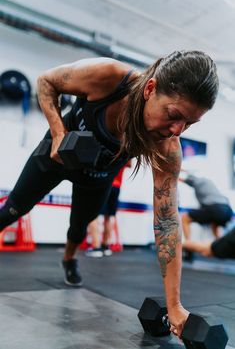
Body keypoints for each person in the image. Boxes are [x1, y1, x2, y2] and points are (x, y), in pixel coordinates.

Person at [0, 51, 219, 338]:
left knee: (80, 227)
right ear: (150, 89)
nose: (178, 129)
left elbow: (166, 221)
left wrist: (174, 305)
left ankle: (68, 259)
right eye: (174, 115)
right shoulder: (108, 77)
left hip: (97, 176)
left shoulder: (168, 147)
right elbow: (45, 82)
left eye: (189, 124)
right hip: (55, 157)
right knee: (13, 209)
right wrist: (57, 133)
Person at [86, 162, 131, 257]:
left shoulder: (108, 149)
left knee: (92, 214)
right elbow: (129, 164)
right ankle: (105, 247)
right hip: (116, 187)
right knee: (109, 216)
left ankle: (96, 248)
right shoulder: (124, 152)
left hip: (104, 183)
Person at [180, 171, 233, 240]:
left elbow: (183, 179)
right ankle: (220, 246)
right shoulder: (208, 182)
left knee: (185, 218)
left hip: (215, 208)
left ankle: (188, 244)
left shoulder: (197, 181)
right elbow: (189, 173)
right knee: (215, 225)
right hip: (228, 210)